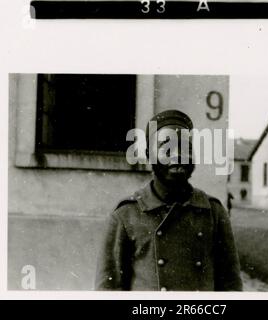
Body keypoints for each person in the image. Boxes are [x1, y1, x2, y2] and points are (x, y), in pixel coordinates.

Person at [95, 110, 242, 291]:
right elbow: (108, 289)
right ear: (150, 155)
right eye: (167, 146)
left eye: (185, 146)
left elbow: (231, 286)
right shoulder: (126, 215)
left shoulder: (213, 212)